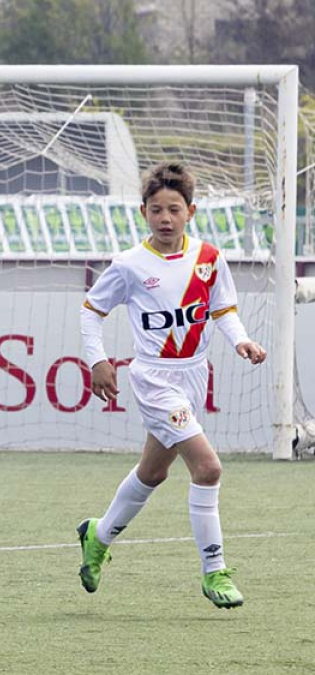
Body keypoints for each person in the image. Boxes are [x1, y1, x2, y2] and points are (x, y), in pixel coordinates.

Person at [76, 162, 267, 609]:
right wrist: (97, 360)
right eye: (156, 209)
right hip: (154, 378)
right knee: (208, 468)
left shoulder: (209, 259)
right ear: (143, 211)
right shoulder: (129, 264)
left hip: (194, 375)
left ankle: (97, 536)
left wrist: (241, 341)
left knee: (153, 471)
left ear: (190, 211)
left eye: (174, 209)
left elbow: (223, 311)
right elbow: (91, 311)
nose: (165, 218)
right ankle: (214, 571)